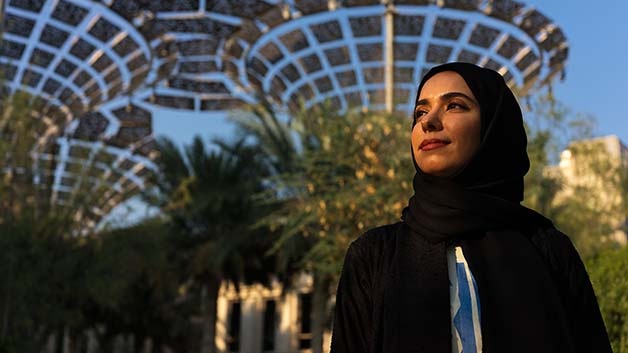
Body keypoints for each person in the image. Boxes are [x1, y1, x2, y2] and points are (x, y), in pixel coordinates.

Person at [329, 62, 612, 353]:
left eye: (454, 106)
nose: (429, 122)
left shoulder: (548, 249)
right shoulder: (374, 256)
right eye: (420, 112)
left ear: (493, 126)